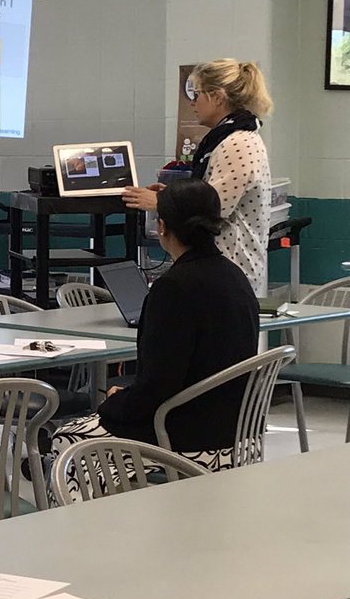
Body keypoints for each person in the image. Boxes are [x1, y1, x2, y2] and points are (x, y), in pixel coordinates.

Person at [51, 178, 259, 490]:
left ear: (162, 227)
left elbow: (160, 383)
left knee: (68, 439)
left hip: (187, 438)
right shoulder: (236, 276)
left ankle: (87, 533)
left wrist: (115, 404)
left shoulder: (174, 288)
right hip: (239, 433)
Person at [123, 59, 273, 293]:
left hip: (230, 271)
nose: (192, 103)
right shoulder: (225, 139)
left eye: (197, 94)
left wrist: (161, 203)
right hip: (220, 272)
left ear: (218, 97)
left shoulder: (238, 143)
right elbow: (207, 194)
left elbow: (212, 209)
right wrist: (174, 195)